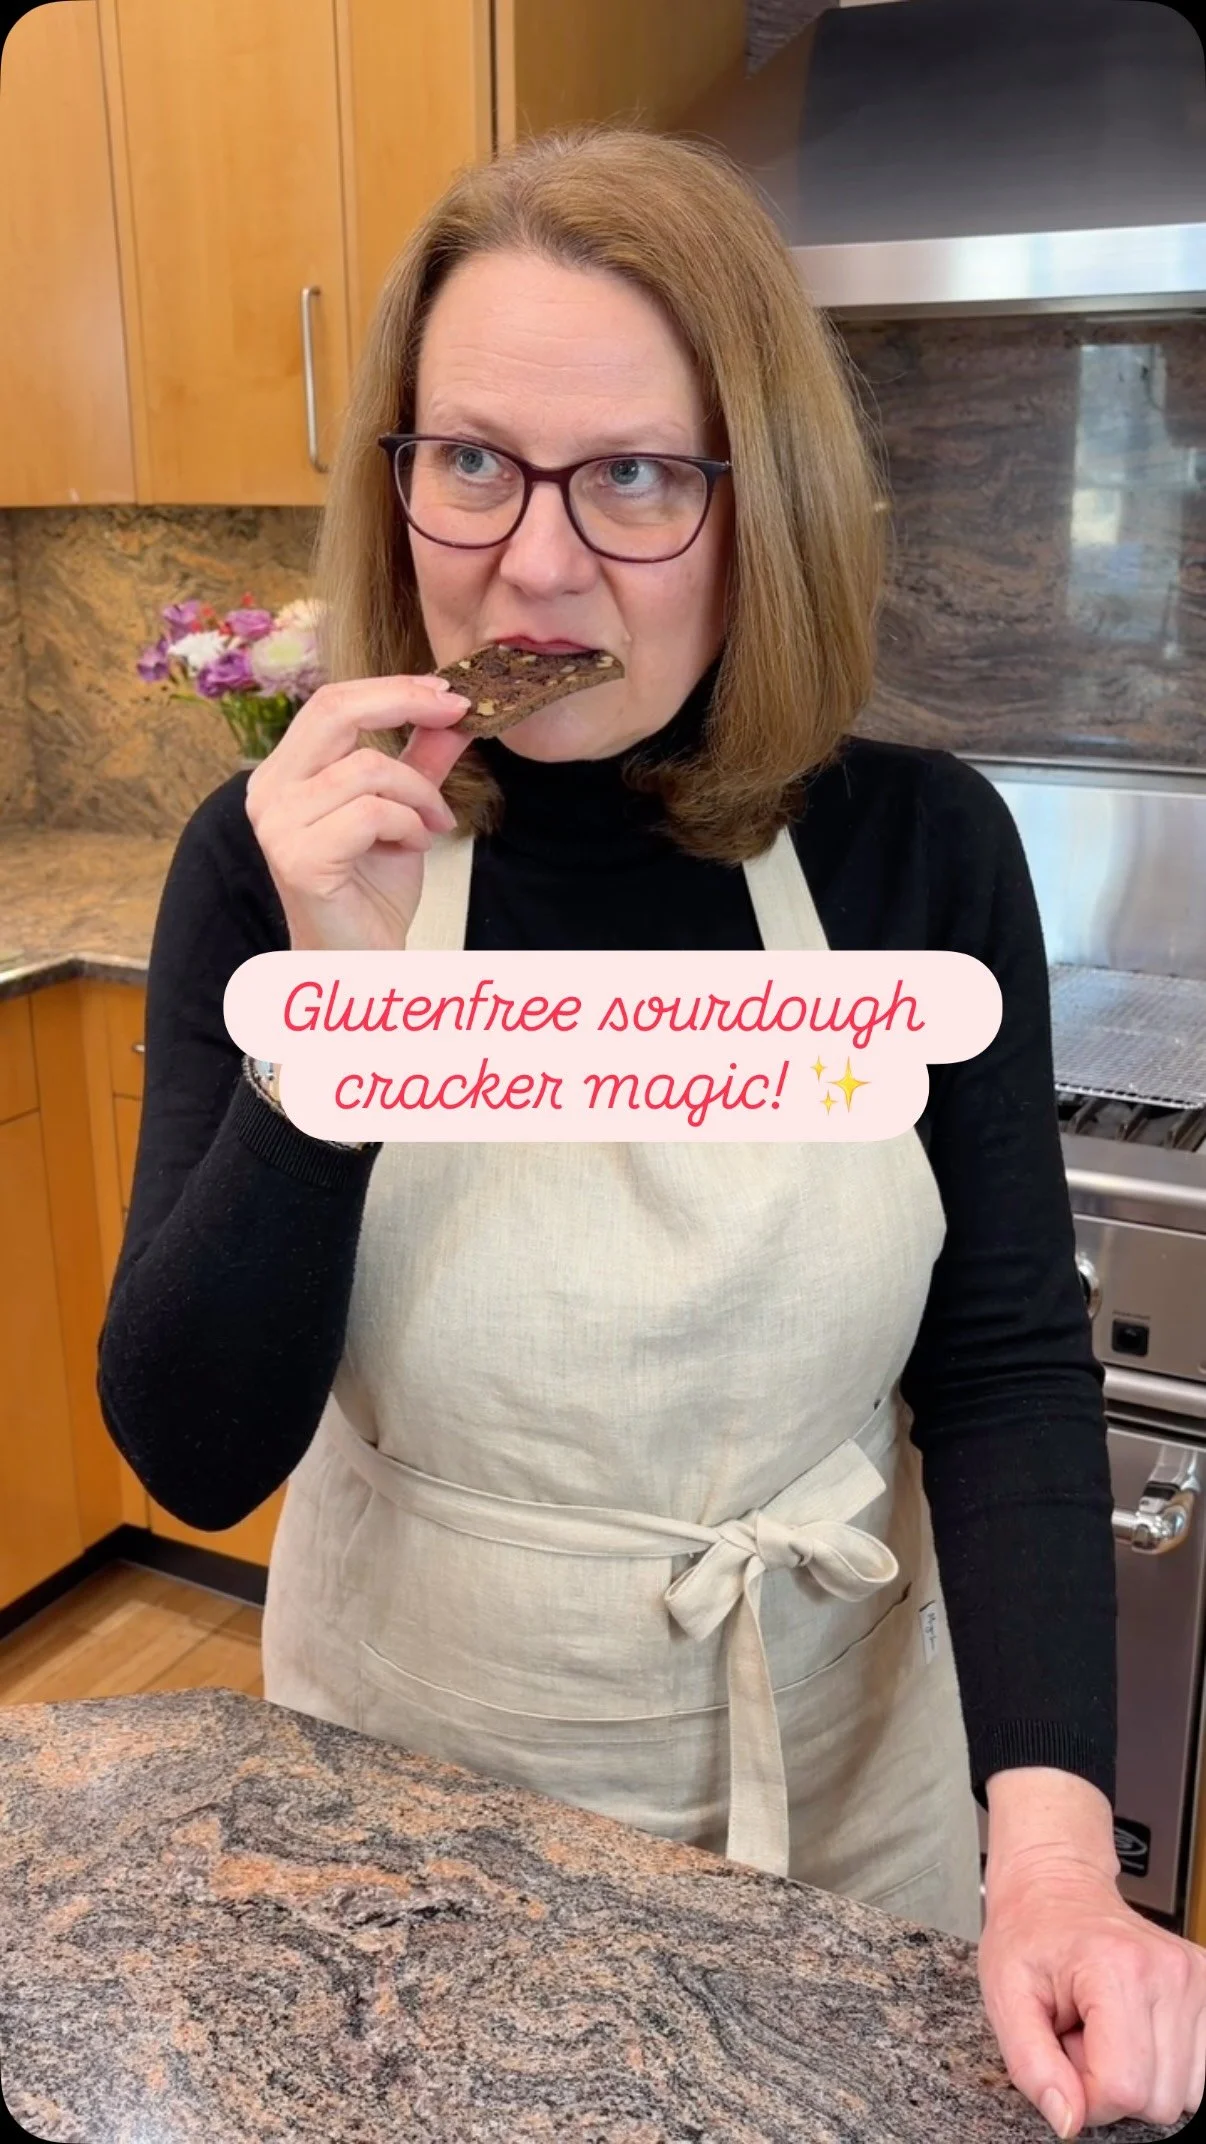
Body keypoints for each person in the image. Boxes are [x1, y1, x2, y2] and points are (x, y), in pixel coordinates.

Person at [98, 124, 1205, 2135]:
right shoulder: (275, 864)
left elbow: (1003, 1367)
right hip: (402, 1820)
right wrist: (337, 1025)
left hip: (837, 1807)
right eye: (473, 460)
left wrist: (1055, 1862)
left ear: (758, 502)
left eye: (632, 477)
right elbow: (190, 1449)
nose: (533, 565)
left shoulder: (917, 850)